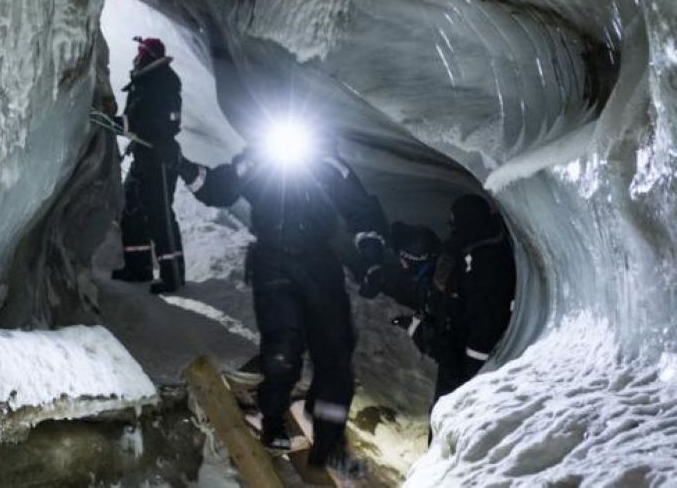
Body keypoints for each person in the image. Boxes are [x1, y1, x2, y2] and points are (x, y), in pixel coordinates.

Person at [178, 132, 386, 471]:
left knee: (335, 351)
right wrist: (186, 169)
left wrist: (374, 256)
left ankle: (330, 442)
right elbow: (220, 187)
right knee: (284, 348)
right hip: (273, 263)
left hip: (319, 263)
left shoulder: (330, 166)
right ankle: (272, 417)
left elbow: (361, 211)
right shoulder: (262, 159)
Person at [391, 194, 517, 409]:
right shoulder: (475, 251)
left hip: (466, 364)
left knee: (448, 413)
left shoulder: (478, 260)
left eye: (453, 219)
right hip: (466, 358)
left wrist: (473, 367)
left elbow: (456, 325)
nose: (450, 223)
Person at [111, 36, 186, 294]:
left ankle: (173, 275)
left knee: (160, 215)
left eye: (140, 53)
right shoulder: (146, 81)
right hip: (144, 156)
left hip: (160, 159)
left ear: (148, 56)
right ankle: (138, 267)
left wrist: (125, 125)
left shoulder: (163, 82)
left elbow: (164, 122)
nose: (136, 57)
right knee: (131, 208)